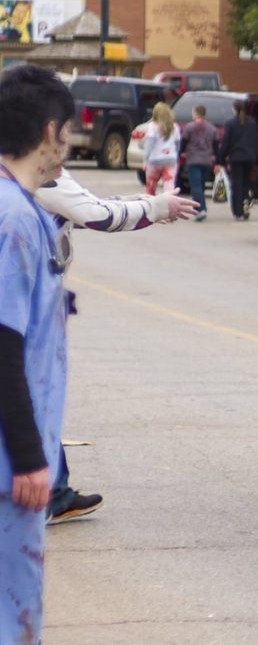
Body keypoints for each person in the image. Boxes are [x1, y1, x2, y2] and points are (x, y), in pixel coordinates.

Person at [36, 169, 197, 524]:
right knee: (35, 399)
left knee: (36, 399)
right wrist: (154, 208)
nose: (65, 145)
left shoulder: (21, 173)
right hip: (29, 304)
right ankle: (48, 494)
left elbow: (90, 205)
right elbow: (99, 215)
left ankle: (56, 491)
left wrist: (151, 205)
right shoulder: (38, 175)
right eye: (62, 134)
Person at [0, 65, 74, 643]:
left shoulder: (22, 210)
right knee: (14, 615)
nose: (69, 146)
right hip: (9, 468)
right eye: (68, 132)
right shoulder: (16, 222)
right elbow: (3, 344)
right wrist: (27, 458)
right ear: (49, 132)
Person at [219, 100, 258, 220]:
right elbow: (255, 141)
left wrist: (221, 159)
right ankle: (244, 208)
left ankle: (238, 211)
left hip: (236, 158)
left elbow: (226, 142)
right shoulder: (252, 123)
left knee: (236, 185)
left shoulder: (230, 123)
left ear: (234, 109)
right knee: (246, 184)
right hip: (249, 157)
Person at [180, 104, 218, 221]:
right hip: (206, 160)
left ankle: (201, 209)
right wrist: (215, 158)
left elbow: (184, 142)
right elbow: (215, 145)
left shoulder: (189, 127)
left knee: (195, 186)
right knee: (201, 185)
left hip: (193, 159)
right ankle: (198, 209)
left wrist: (181, 153)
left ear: (195, 113)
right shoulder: (212, 128)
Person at [143, 101, 181, 195]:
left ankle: (151, 206)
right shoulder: (175, 127)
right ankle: (168, 207)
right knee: (169, 186)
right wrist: (176, 155)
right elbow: (178, 144)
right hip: (170, 159)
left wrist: (145, 160)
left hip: (155, 159)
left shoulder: (152, 126)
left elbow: (149, 145)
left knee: (151, 187)